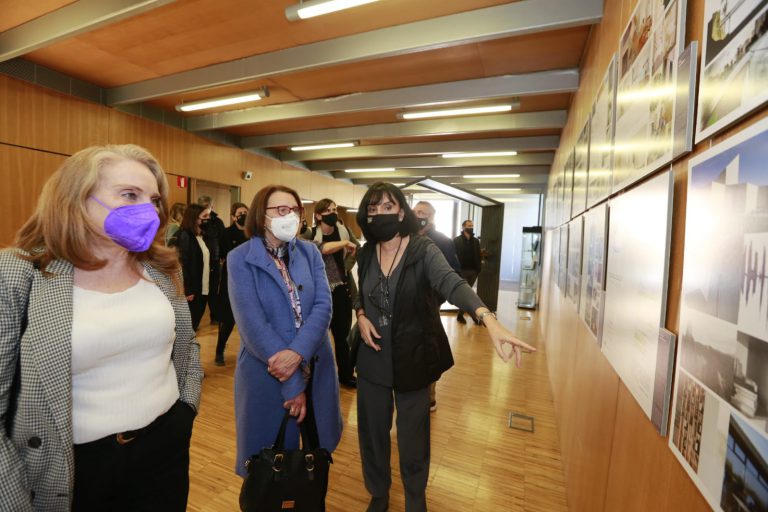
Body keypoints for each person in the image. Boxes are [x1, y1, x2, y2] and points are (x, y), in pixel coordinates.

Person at [0, 144, 203, 511]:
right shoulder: (19, 273)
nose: (149, 210)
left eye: (154, 199)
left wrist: (186, 408)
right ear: (77, 198)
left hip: (164, 449)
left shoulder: (162, 268)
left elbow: (187, 345)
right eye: (129, 194)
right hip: (72, 467)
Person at [353, 182, 535, 512]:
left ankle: (415, 498)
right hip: (372, 356)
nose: (380, 214)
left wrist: (486, 317)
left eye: (388, 206)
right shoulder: (366, 253)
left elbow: (451, 282)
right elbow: (359, 291)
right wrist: (361, 314)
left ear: (402, 211)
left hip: (413, 355)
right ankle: (378, 493)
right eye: (373, 209)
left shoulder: (422, 250)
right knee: (372, 434)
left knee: (413, 438)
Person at [227, 185, 343, 485]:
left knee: (314, 462)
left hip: (315, 369)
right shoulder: (239, 258)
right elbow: (253, 325)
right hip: (267, 374)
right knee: (270, 471)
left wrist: (297, 353)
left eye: (294, 210)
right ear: (261, 215)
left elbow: (323, 306)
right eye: (280, 210)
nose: (289, 215)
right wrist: (293, 384)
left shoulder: (310, 252)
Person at [302, 198, 360, 389]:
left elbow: (355, 250)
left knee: (343, 336)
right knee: (318, 337)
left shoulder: (344, 230)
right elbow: (323, 250)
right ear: (318, 216)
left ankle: (346, 374)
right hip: (319, 292)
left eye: (335, 209)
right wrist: (344, 243)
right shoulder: (311, 234)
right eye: (328, 210)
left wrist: (345, 268)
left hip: (341, 290)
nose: (333, 213)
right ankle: (314, 376)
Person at [412, 201, 461, 413]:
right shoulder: (406, 237)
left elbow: (454, 273)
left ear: (431, 217)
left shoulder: (442, 241)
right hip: (407, 308)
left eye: (422, 213)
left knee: (429, 351)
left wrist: (435, 299)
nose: (418, 216)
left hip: (429, 307)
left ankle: (430, 396)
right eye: (415, 212)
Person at [214, 202, 249, 365]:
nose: (243, 216)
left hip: (250, 281)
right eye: (240, 213)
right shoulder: (226, 233)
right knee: (228, 320)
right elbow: (224, 256)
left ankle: (250, 352)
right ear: (234, 217)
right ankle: (219, 350)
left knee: (249, 320)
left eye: (246, 213)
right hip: (232, 281)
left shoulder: (253, 234)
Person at [173, 204, 214, 331]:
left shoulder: (201, 236)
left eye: (209, 216)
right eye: (205, 216)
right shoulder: (185, 235)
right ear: (194, 218)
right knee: (187, 327)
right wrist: (188, 289)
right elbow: (182, 264)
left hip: (202, 287)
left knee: (193, 325)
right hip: (191, 290)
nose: (208, 219)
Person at [196, 195, 225, 322]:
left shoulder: (217, 222)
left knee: (213, 290)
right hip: (199, 260)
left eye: (208, 206)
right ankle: (196, 319)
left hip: (214, 259)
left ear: (212, 207)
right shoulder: (196, 220)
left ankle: (215, 316)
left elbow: (222, 240)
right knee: (200, 290)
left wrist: (222, 256)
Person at [454, 219, 483, 324]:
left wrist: (478, 269)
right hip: (462, 271)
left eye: (472, 226)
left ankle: (460, 315)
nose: (471, 227)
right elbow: (453, 255)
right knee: (467, 294)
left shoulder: (475, 241)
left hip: (473, 271)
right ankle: (473, 316)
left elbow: (478, 256)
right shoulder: (456, 240)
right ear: (463, 227)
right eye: (469, 225)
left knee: (467, 295)